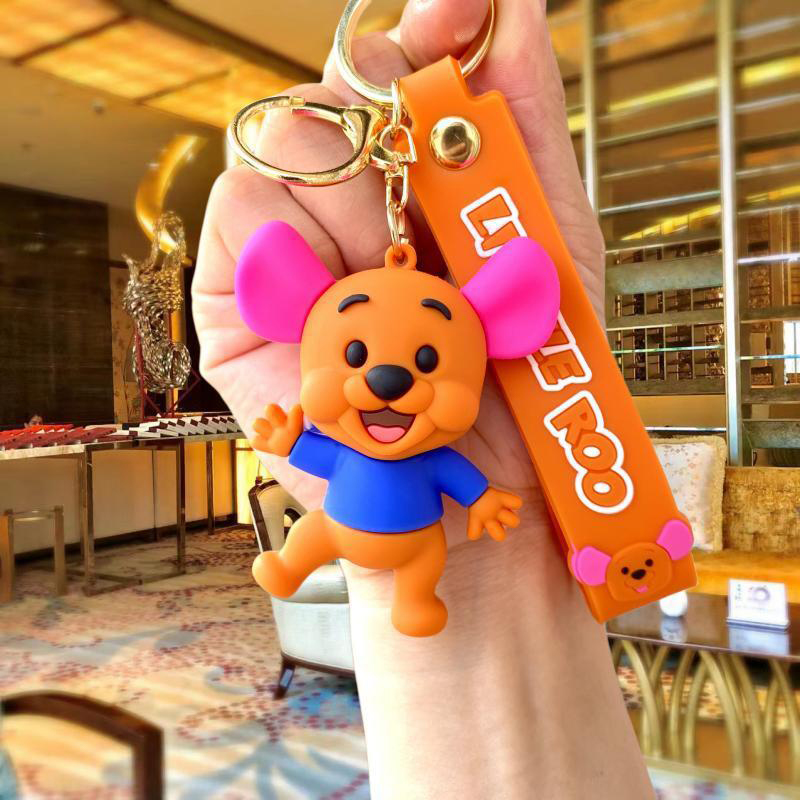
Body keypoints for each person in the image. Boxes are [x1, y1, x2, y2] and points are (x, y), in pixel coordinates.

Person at [193, 1, 654, 797]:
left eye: (428, 362)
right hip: (346, 529)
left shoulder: (439, 453)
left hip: (422, 551)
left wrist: (496, 513)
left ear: (503, 326)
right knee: (311, 540)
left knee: (417, 573)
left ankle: (408, 596)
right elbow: (317, 451)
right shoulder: (359, 442)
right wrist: (287, 436)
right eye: (358, 357)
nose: (386, 383)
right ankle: (290, 565)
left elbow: (462, 480)